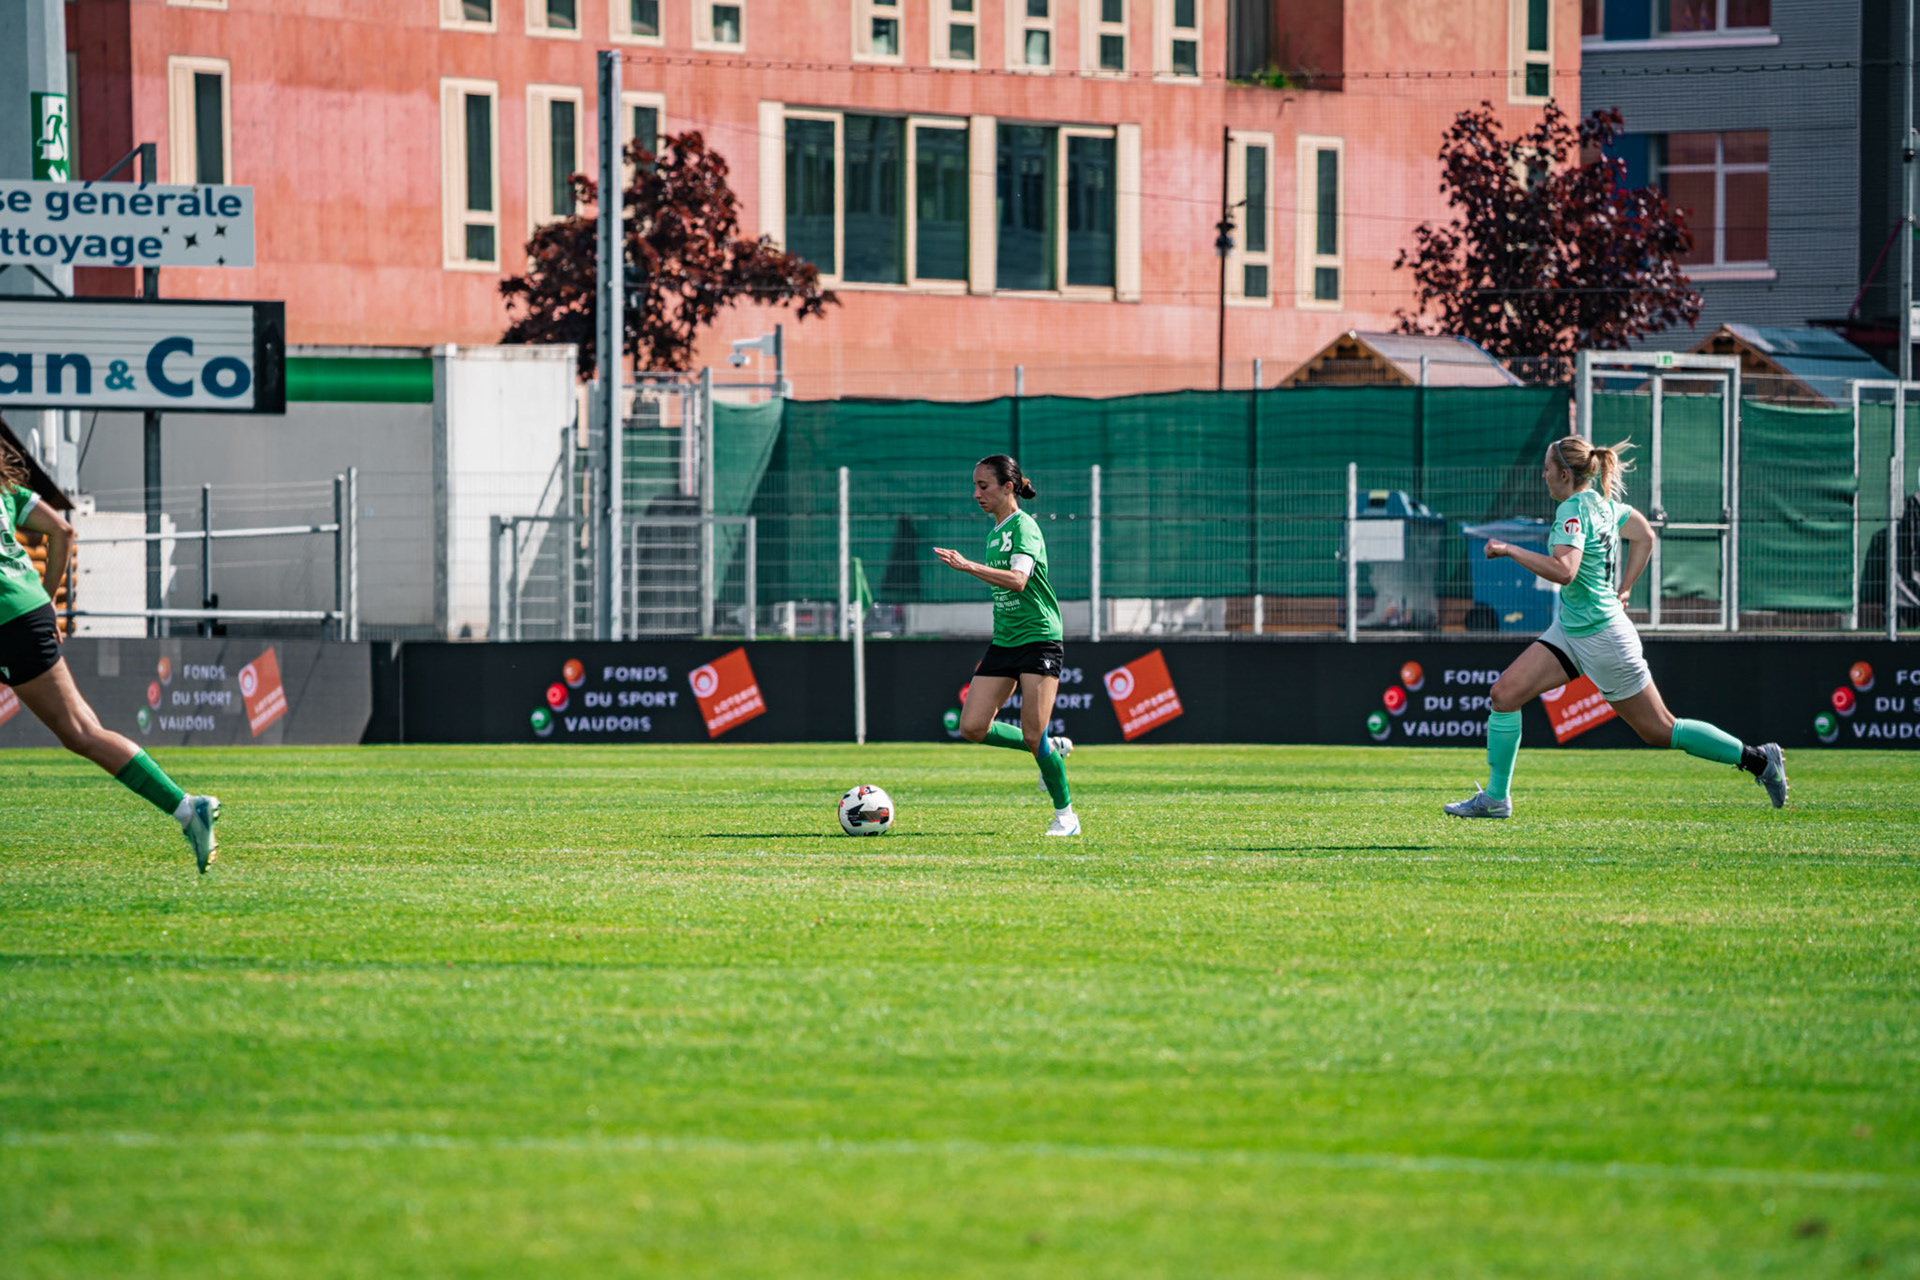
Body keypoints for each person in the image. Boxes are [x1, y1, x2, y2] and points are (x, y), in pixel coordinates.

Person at [1446, 436, 1786, 819]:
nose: (1543, 476)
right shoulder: (1603, 504)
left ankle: (1759, 760)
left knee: (1660, 730)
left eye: (1546, 469)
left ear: (1562, 474)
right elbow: (1645, 535)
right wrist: (1624, 588)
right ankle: (1495, 798)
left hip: (1604, 637)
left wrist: (1509, 550)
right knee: (1504, 694)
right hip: (1573, 630)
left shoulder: (1573, 511)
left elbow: (1564, 571)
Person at [0, 444, 220, 868]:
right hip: (25, 611)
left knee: (81, 731)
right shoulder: (6, 489)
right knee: (81, 731)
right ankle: (188, 810)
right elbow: (63, 532)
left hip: (8, 622)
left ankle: (188, 809)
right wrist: (45, 602)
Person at [933, 455, 1080, 836]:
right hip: (1005, 640)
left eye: (984, 486)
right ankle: (1051, 747)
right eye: (975, 485)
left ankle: (1066, 816)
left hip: (1039, 639)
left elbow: (1017, 581)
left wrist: (968, 567)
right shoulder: (995, 531)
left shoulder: (1024, 526)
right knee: (972, 727)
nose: (976, 493)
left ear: (1008, 487)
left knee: (1033, 734)